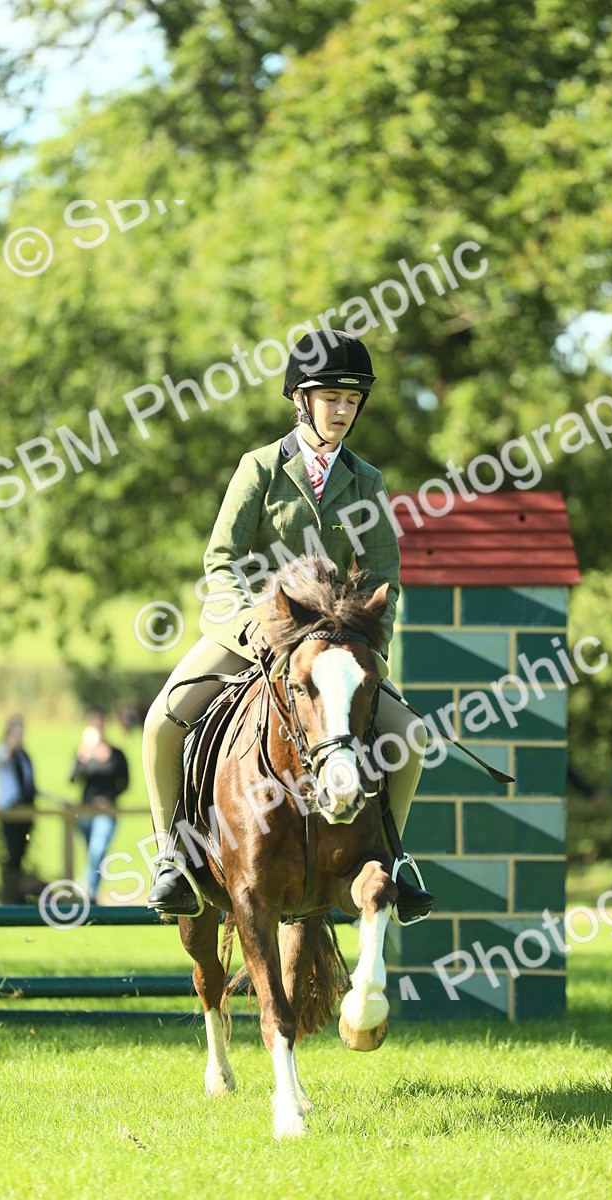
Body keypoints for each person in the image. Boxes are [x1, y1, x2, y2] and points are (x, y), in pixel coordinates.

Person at [142, 328, 434, 924]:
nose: (343, 411)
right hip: (254, 635)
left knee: (412, 737)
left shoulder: (367, 481)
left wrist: (368, 646)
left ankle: (393, 857)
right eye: (332, 398)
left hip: (332, 647)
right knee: (161, 723)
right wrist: (250, 627)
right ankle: (172, 858)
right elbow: (222, 561)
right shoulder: (260, 469)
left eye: (351, 400)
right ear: (302, 400)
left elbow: (384, 576)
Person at [70, 709, 129, 903]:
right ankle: (89, 890)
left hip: (107, 811)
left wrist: (109, 798)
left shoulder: (116, 754)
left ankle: (90, 893)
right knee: (92, 855)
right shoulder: (83, 753)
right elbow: (73, 779)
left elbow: (125, 783)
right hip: (86, 811)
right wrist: (83, 758)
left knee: (98, 849)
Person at [0, 715, 37, 903]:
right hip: (10, 808)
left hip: (26, 808)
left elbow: (29, 782)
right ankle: (8, 894)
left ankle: (16, 893)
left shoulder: (24, 755)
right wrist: (11, 746)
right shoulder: (3, 752)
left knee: (20, 852)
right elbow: (4, 761)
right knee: (12, 852)